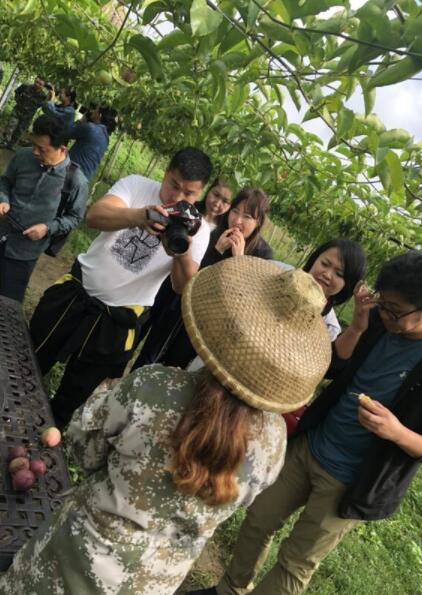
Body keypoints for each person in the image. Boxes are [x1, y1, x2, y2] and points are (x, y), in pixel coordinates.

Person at [0, 257, 332, 595]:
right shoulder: (275, 441)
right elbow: (239, 501)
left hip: (75, 560)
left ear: (221, 323)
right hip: (156, 581)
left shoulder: (155, 388)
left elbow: (84, 450)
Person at [190, 250, 422, 595]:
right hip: (313, 444)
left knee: (295, 563)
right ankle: (229, 588)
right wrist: (358, 327)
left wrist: (397, 432)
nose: (385, 314)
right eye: (382, 303)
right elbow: (335, 367)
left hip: (353, 480)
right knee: (259, 517)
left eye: (394, 311)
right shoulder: (377, 323)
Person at [29, 147, 213, 429]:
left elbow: (181, 287)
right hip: (76, 294)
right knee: (29, 360)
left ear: (199, 194)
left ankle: (42, 436)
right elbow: (94, 216)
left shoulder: (199, 230)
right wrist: (138, 216)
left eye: (188, 193)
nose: (177, 197)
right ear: (166, 173)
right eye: (173, 185)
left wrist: (182, 252)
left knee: (73, 398)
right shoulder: (136, 185)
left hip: (118, 320)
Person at [132, 187, 272, 371]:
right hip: (180, 307)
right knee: (151, 353)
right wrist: (216, 251)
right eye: (235, 212)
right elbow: (192, 275)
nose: (237, 221)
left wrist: (238, 261)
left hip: (208, 323)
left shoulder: (262, 255)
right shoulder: (212, 235)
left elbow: (245, 301)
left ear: (258, 221)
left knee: (177, 365)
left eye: (247, 217)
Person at [132, 178, 232, 368]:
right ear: (207, 191)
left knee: (155, 344)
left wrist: (216, 251)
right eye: (216, 195)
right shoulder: (187, 210)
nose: (217, 203)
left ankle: (136, 375)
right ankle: (114, 370)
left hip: (181, 295)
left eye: (226, 201)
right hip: (162, 279)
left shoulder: (225, 234)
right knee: (140, 324)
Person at [0, 114, 88, 302]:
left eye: (42, 149)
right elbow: (5, 181)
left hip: (24, 252)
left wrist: (47, 228)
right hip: (2, 230)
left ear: (62, 149)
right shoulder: (23, 156)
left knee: (7, 302)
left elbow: (74, 217)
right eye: (34, 145)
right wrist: (3, 199)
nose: (35, 152)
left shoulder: (75, 182)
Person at [66, 105, 118, 180]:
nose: (92, 111)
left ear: (99, 115)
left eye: (95, 110)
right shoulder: (106, 139)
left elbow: (67, 132)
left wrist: (81, 121)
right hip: (84, 178)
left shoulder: (91, 128)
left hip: (71, 173)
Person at [1, 76, 48, 149]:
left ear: (43, 86)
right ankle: (5, 141)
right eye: (36, 82)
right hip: (17, 111)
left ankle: (11, 145)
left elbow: (43, 105)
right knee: (11, 125)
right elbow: (17, 92)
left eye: (40, 84)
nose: (37, 84)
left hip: (28, 116)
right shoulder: (25, 86)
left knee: (20, 130)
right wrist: (18, 100)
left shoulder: (43, 96)